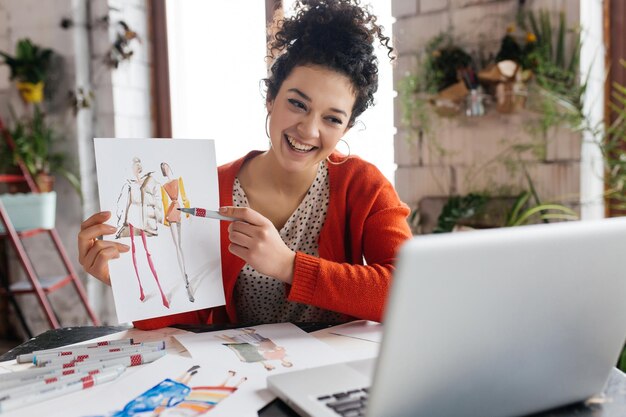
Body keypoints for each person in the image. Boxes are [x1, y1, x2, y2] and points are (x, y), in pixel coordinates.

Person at [78, 0, 412, 330]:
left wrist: (289, 266)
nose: (309, 130)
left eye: (332, 118)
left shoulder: (363, 185)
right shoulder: (212, 188)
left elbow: (408, 292)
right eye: (297, 104)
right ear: (270, 98)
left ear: (347, 128)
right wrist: (122, 281)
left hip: (335, 377)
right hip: (243, 378)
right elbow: (185, 320)